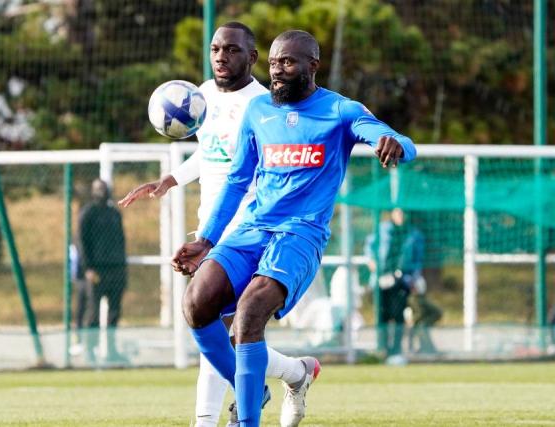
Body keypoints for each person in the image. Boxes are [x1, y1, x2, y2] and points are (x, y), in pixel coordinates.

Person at [173, 30, 416, 427]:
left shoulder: (340, 110)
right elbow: (237, 180)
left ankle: (245, 420)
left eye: (287, 62)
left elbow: (394, 138)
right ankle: (254, 384)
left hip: (299, 235)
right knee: (196, 304)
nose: (277, 71)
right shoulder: (259, 112)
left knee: (251, 311)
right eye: (272, 64)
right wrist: (206, 240)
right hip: (252, 228)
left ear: (312, 66)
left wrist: (393, 143)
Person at [120, 22, 316, 427]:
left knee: (220, 324)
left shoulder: (264, 103)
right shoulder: (201, 96)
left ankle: (207, 420)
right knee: (217, 329)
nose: (221, 57)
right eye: (215, 49)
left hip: (248, 229)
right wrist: (170, 180)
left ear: (252, 57)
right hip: (209, 227)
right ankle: (293, 374)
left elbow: (254, 170)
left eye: (231, 49)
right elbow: (210, 155)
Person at [78, 178, 128, 365]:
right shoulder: (88, 213)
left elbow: (121, 240)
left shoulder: (114, 213)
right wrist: (88, 268)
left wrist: (123, 267)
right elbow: (81, 241)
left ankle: (112, 351)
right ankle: (90, 351)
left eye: (104, 189)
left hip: (116, 270)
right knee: (93, 313)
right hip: (97, 270)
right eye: (99, 189)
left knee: (114, 313)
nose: (102, 192)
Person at [364, 208, 424, 360]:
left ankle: (395, 350)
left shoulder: (413, 234)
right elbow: (369, 247)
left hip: (401, 280)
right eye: (398, 213)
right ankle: (382, 348)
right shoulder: (382, 229)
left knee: (398, 315)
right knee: (382, 314)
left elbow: (418, 260)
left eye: (404, 213)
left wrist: (414, 278)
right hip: (382, 279)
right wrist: (371, 260)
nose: (401, 216)